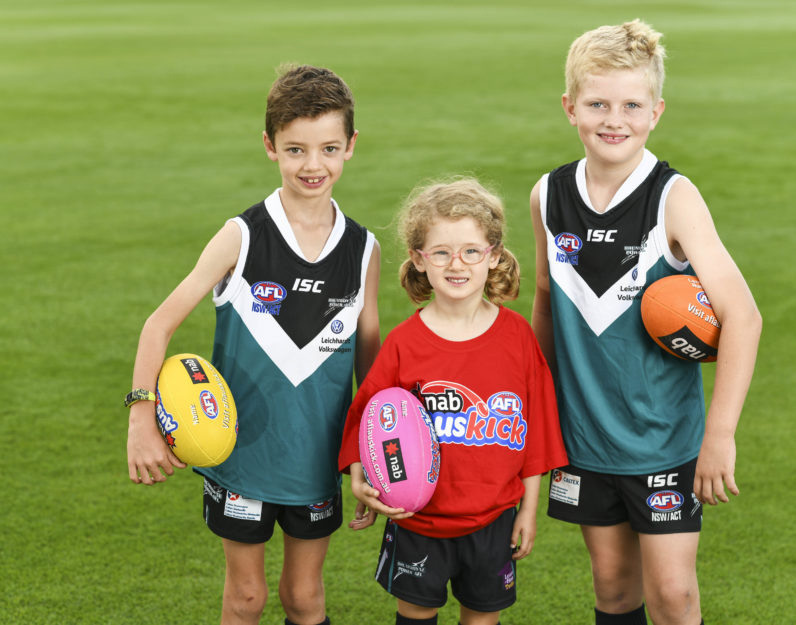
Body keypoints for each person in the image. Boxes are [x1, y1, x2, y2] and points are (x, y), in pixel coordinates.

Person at [125, 64, 381, 625]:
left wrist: (371, 452)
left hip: (317, 462)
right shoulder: (241, 236)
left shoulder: (363, 249)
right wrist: (142, 417)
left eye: (328, 148)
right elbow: (157, 325)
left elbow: (370, 363)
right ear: (270, 146)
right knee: (246, 597)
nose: (313, 165)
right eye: (295, 150)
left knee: (305, 597)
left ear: (350, 145)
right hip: (240, 460)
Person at [530, 20, 762, 625]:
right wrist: (535, 408)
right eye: (597, 104)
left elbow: (743, 316)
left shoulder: (672, 197)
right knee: (612, 589)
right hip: (583, 438)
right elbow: (546, 301)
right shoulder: (548, 195)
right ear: (570, 107)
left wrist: (720, 435)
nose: (615, 119)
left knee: (673, 595)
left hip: (666, 440)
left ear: (655, 112)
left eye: (632, 105)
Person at [338, 178, 568, 625]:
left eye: (471, 251)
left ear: (494, 255)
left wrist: (528, 510)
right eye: (441, 252)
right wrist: (360, 477)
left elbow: (538, 430)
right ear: (419, 259)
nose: (456, 263)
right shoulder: (404, 343)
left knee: (482, 617)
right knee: (415, 615)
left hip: (494, 519)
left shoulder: (518, 337)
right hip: (417, 520)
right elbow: (368, 415)